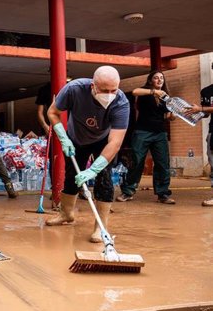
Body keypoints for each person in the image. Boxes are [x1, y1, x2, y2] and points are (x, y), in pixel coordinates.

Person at [45, 66, 129, 243]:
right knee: (72, 176)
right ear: (93, 86)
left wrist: (95, 169)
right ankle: (66, 214)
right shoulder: (74, 89)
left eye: (114, 90)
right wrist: (63, 137)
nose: (109, 94)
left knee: (104, 179)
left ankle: (101, 226)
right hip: (76, 138)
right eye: (104, 90)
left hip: (103, 141)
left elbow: (115, 142)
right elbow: (52, 112)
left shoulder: (121, 102)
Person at [117, 71, 175, 204]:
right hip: (142, 131)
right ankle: (128, 192)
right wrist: (153, 92)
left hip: (160, 133)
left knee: (162, 163)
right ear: (151, 80)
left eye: (161, 78)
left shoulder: (166, 97)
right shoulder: (145, 91)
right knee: (136, 161)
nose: (159, 80)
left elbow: (168, 116)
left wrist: (172, 115)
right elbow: (134, 92)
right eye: (156, 78)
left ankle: (163, 194)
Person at [185, 65, 213, 207]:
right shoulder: (206, 91)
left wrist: (201, 109)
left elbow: (204, 109)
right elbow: (206, 113)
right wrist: (192, 113)